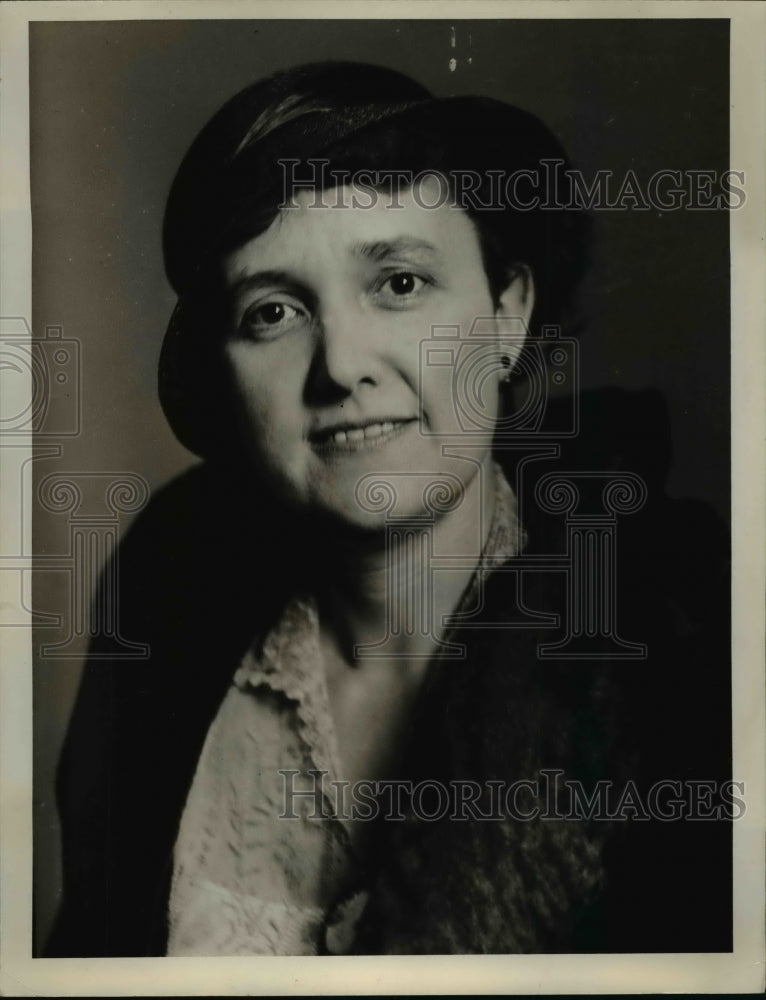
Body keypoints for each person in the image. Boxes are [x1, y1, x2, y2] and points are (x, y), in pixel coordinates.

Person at [45, 61, 731, 957]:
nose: (342, 366)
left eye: (399, 283)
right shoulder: (162, 622)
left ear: (507, 311)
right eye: (274, 311)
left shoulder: (678, 646)